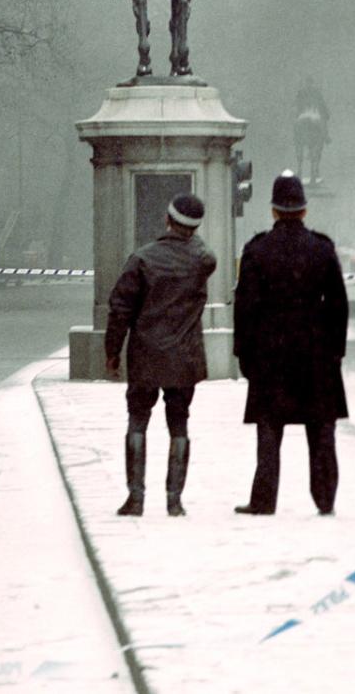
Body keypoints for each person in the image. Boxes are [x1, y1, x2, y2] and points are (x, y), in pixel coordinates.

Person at [233, 171, 348, 516]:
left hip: (271, 354)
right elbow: (338, 306)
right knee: (321, 430)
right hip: (316, 354)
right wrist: (335, 352)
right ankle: (325, 496)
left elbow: (245, 307)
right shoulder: (322, 249)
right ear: (304, 210)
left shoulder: (257, 251)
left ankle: (264, 499)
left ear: (273, 210)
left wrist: (245, 353)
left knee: (269, 429)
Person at [105, 192, 217, 517]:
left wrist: (112, 351)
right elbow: (204, 254)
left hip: (146, 354)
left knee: (137, 420)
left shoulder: (142, 259)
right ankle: (174, 499)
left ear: (167, 219)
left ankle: (136, 497)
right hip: (185, 355)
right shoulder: (203, 261)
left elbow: (119, 308)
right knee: (179, 424)